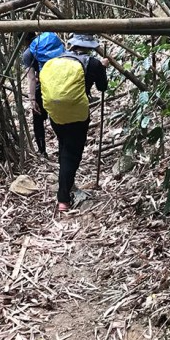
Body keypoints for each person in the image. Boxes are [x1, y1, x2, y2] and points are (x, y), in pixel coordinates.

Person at [38, 34, 109, 211]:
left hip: (55, 113)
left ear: (72, 45)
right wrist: (102, 68)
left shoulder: (55, 60)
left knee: (64, 146)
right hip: (77, 115)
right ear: (90, 47)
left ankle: (66, 183)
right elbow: (102, 87)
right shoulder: (93, 63)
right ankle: (63, 198)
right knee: (72, 154)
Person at [20, 32, 65, 156]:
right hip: (61, 85)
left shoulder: (28, 54)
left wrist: (32, 99)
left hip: (43, 89)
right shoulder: (51, 43)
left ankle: (42, 151)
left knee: (38, 121)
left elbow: (31, 78)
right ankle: (63, 149)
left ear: (23, 41)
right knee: (58, 119)